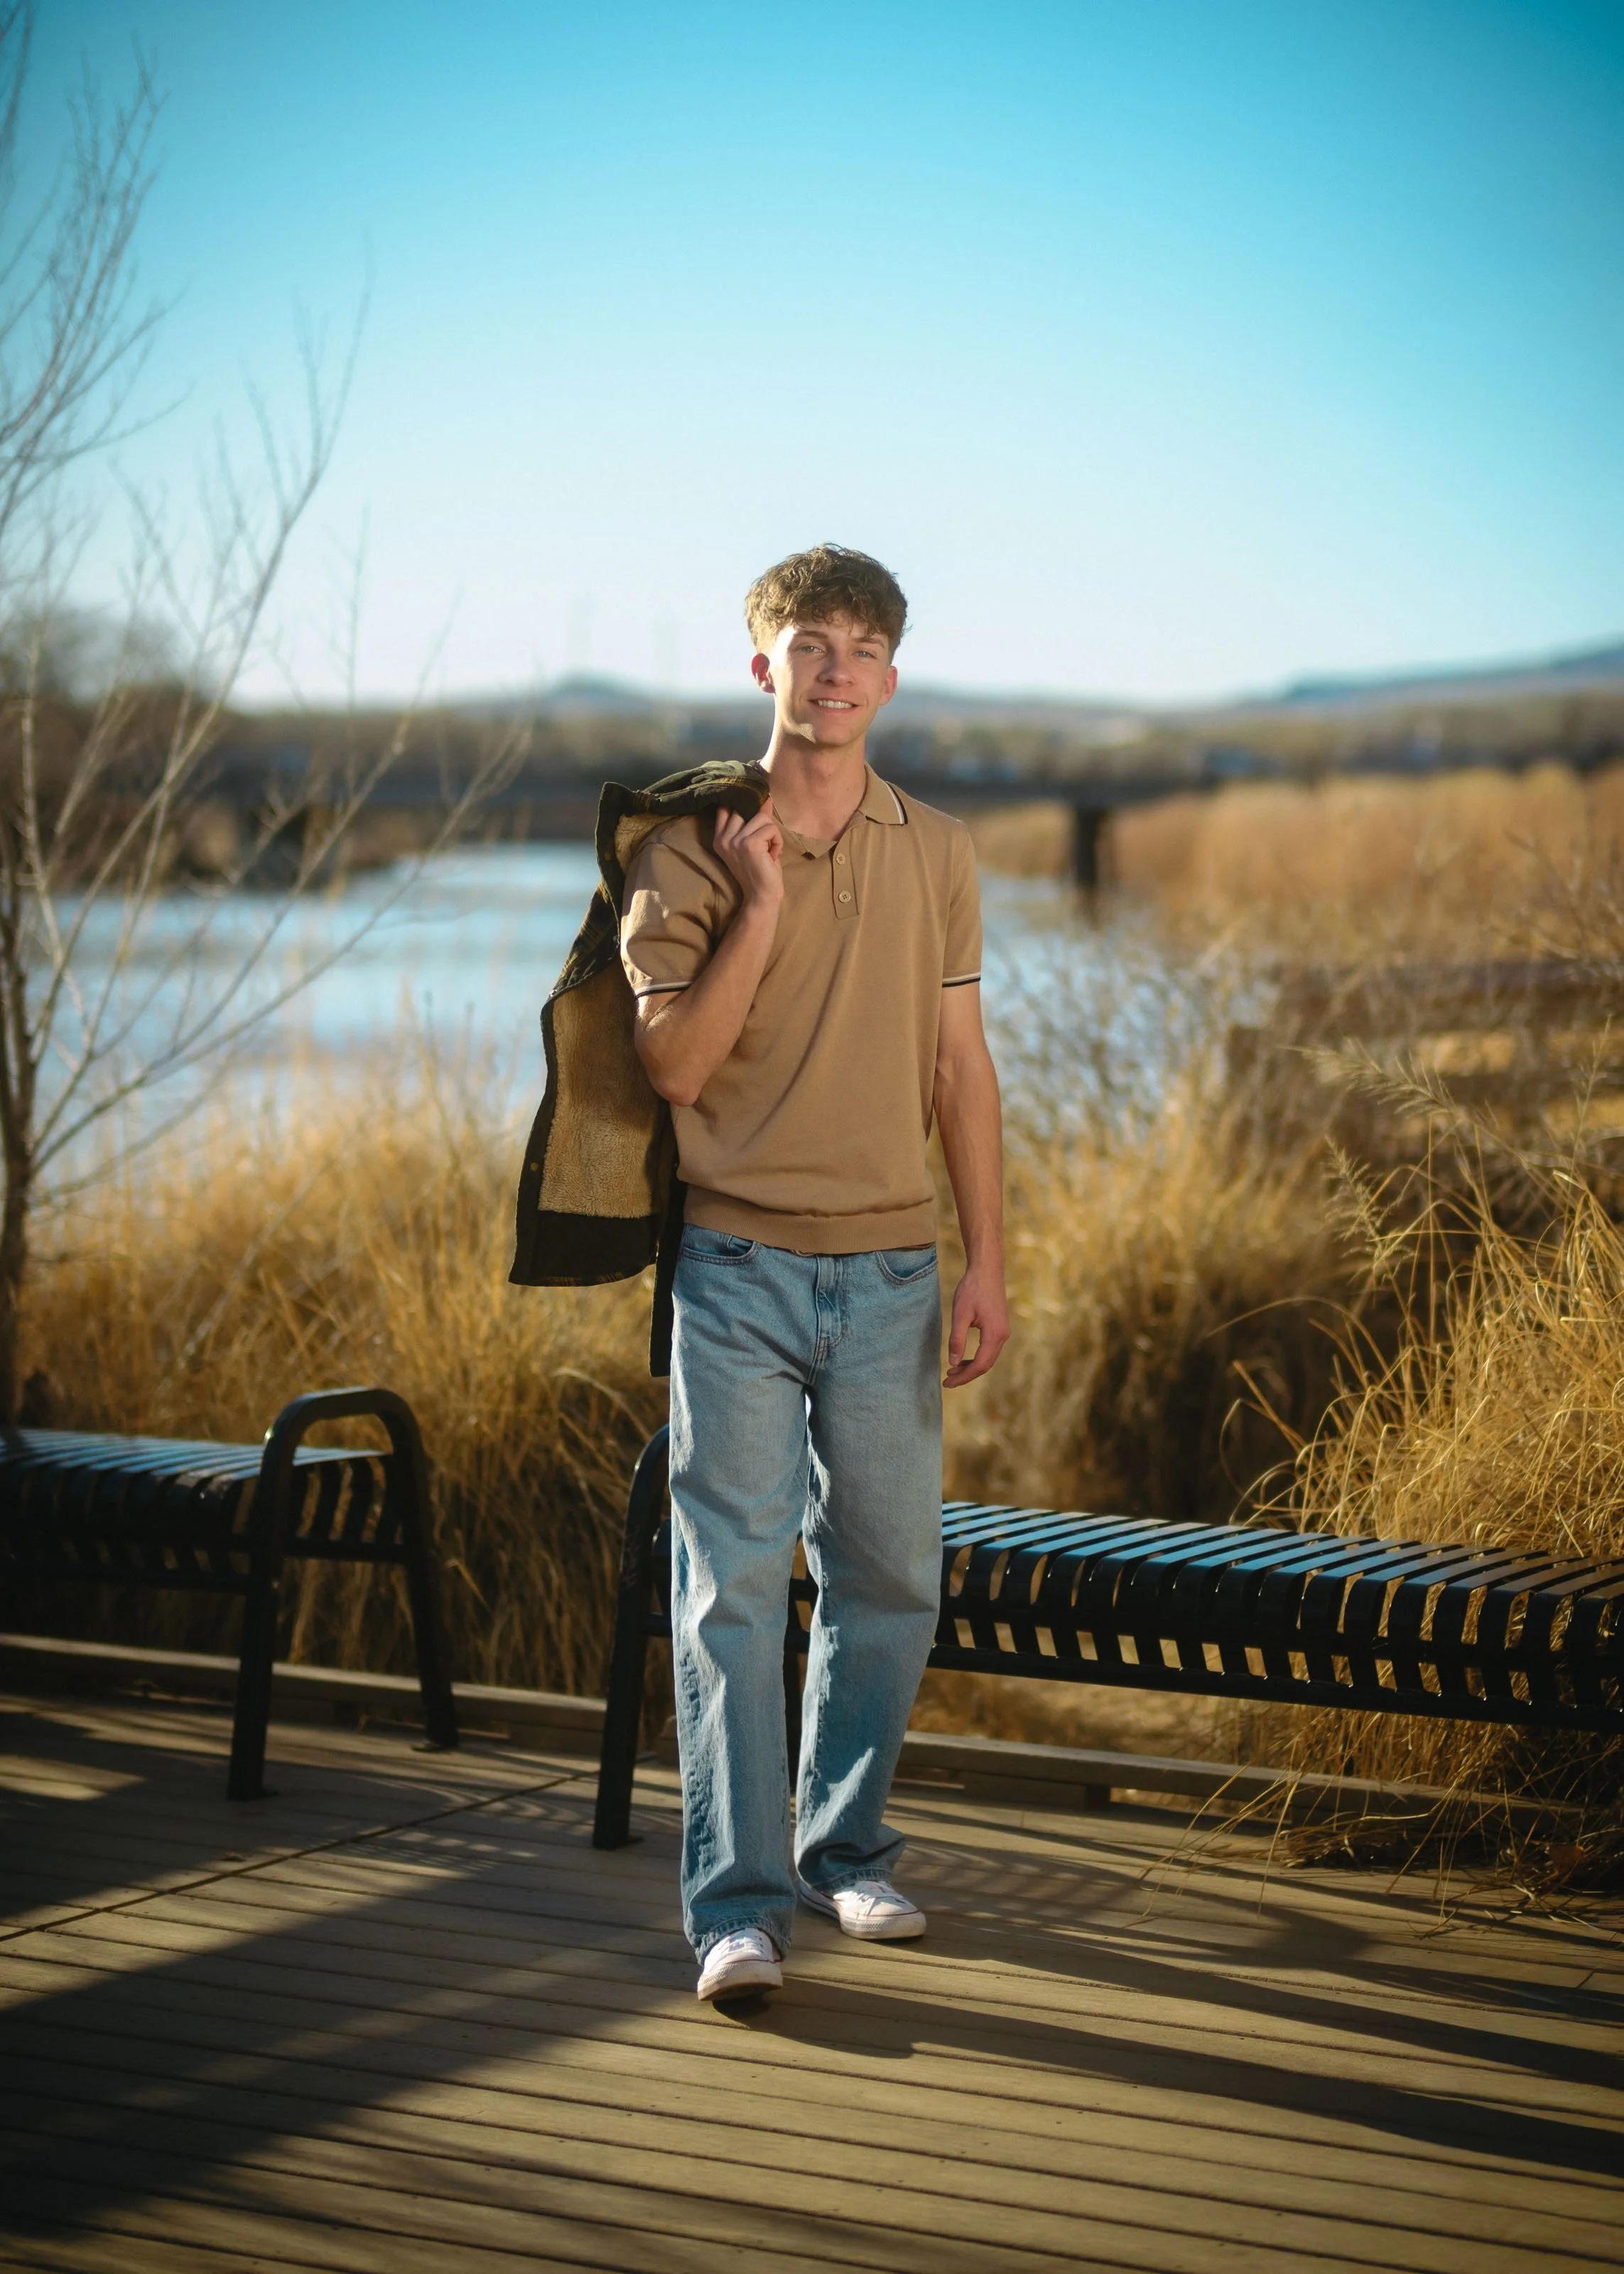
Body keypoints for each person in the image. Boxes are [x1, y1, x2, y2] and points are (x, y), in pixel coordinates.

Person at [619, 543, 1009, 2002]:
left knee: (893, 1574)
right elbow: (671, 1065)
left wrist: (989, 1259)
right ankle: (736, 1906)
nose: (835, 668)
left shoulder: (941, 850)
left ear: (891, 679)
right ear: (761, 664)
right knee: (725, 1586)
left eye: (861, 646)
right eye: (808, 641)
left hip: (898, 1270)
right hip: (733, 1268)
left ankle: (848, 1855)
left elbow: (960, 1069)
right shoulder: (688, 848)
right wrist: (762, 911)